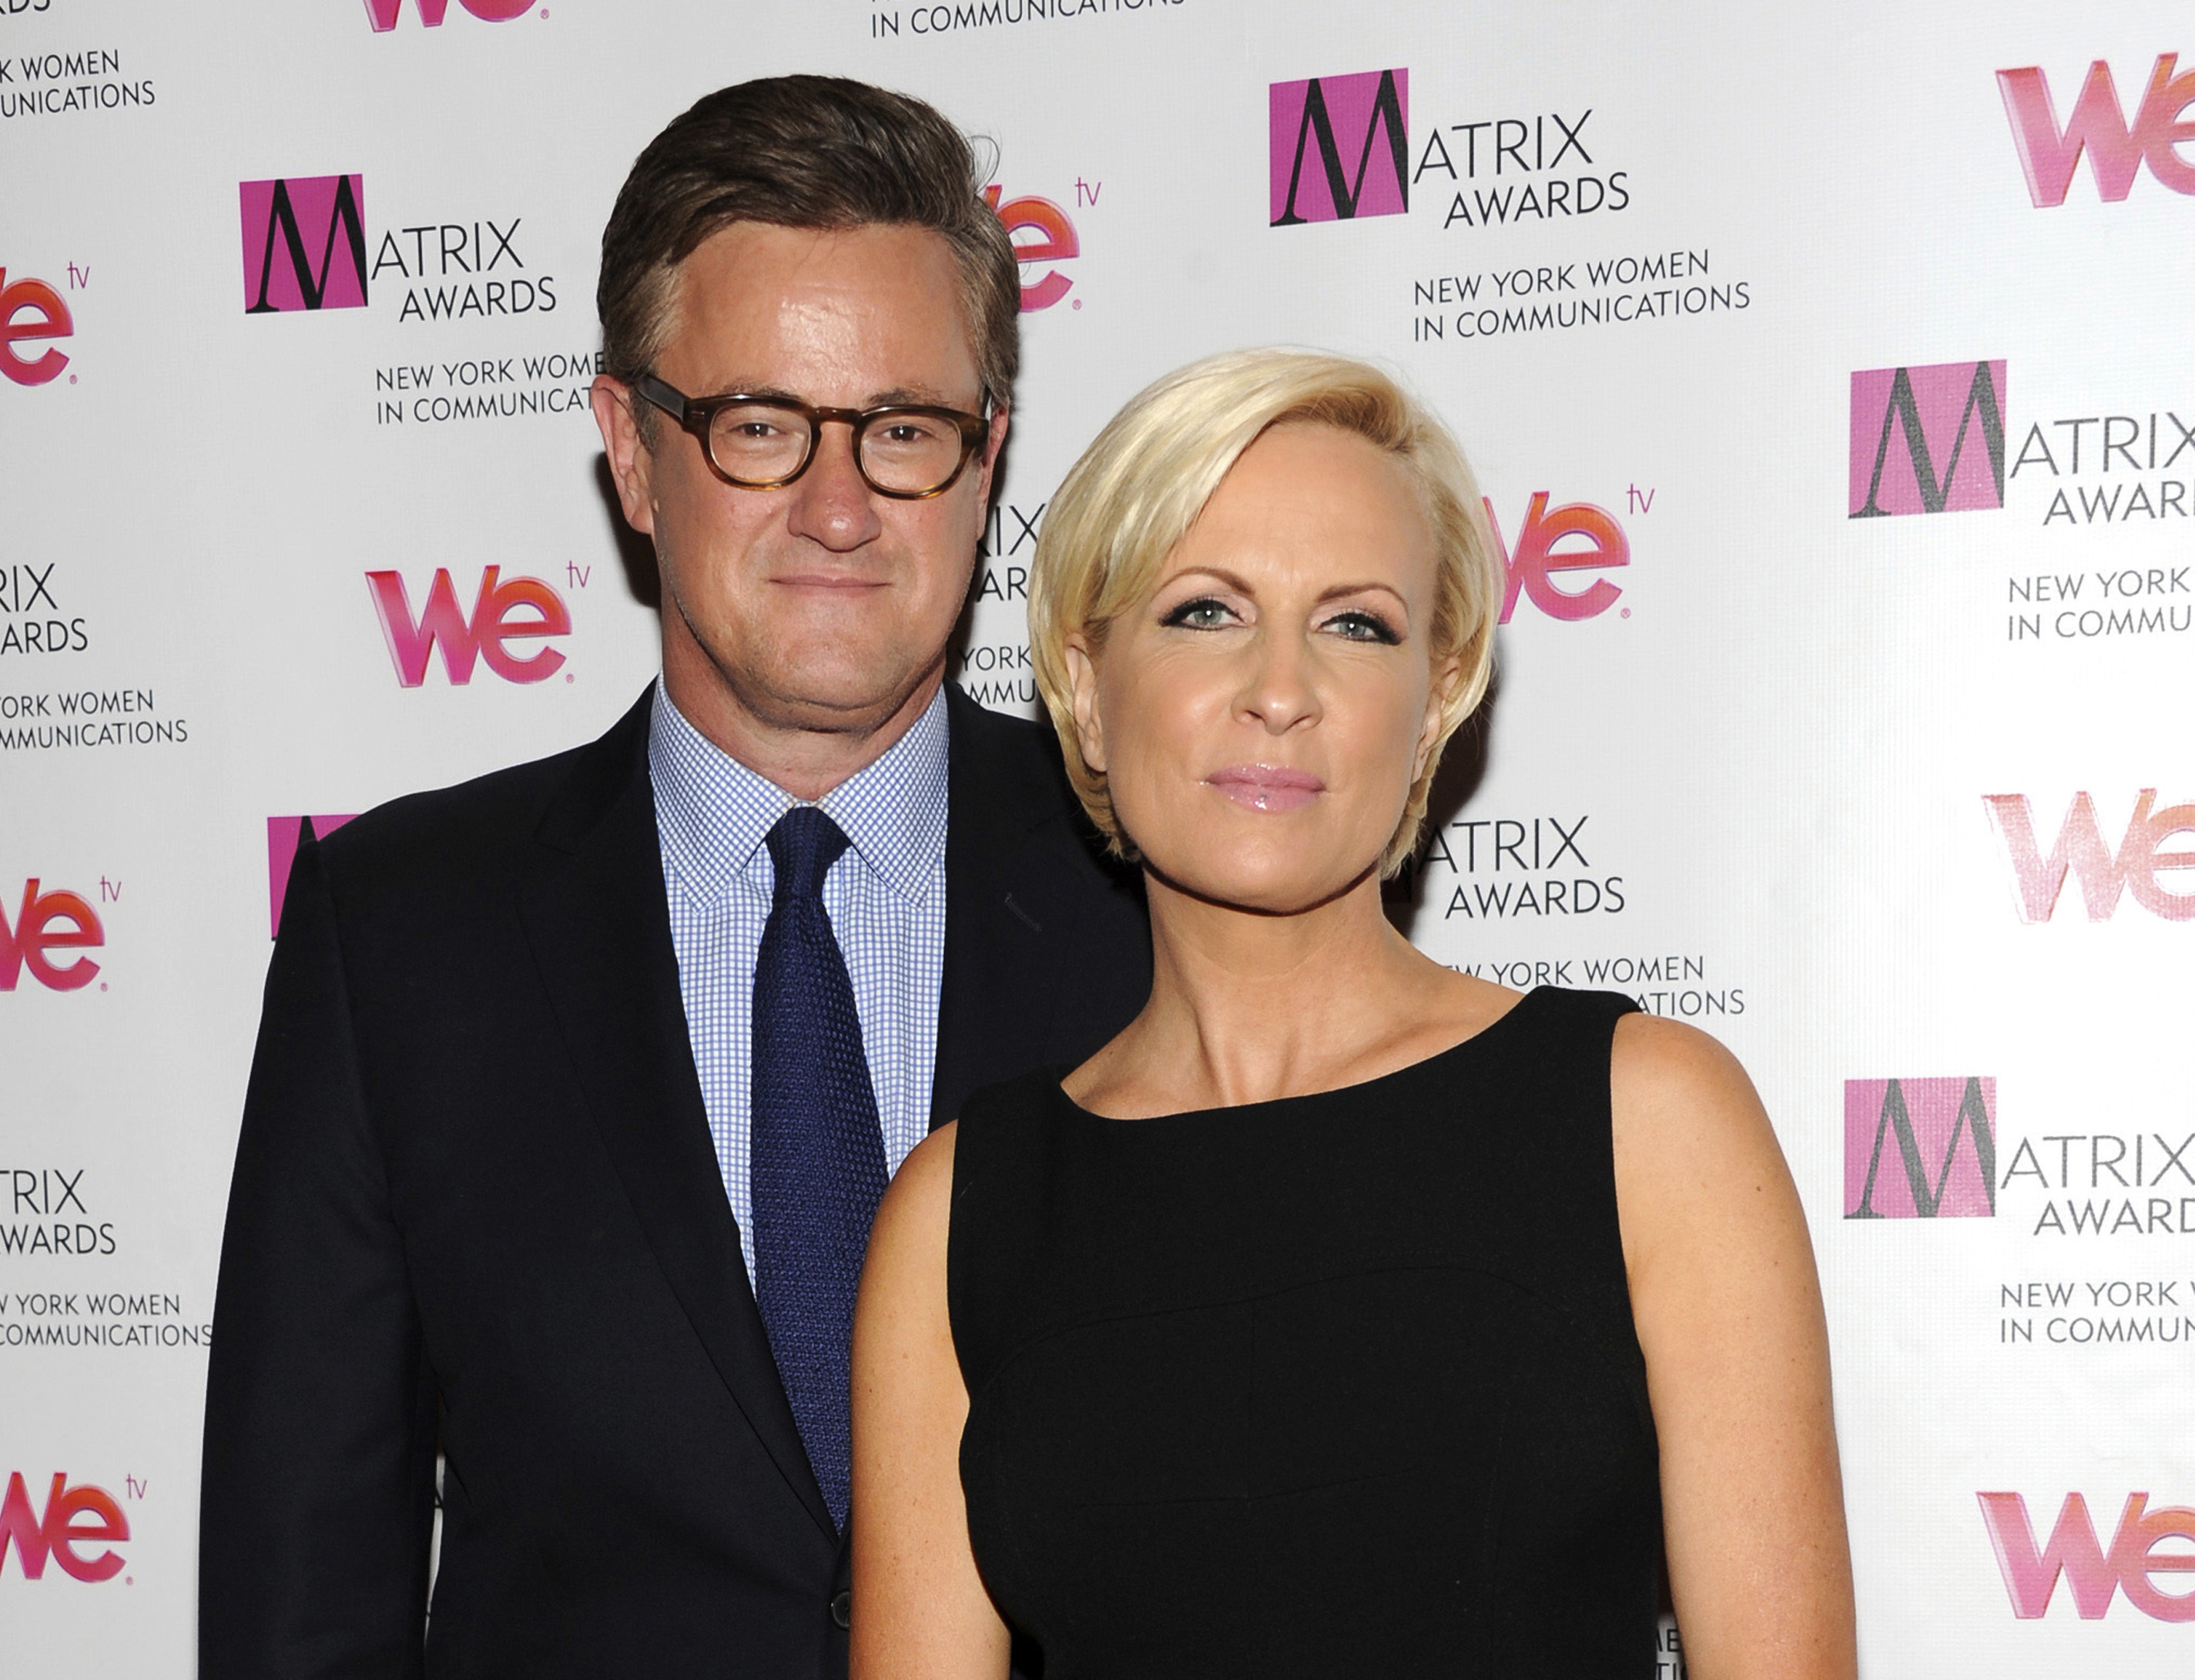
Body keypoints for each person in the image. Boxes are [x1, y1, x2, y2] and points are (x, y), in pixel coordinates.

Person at [199, 76, 1149, 1680]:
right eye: (761, 426)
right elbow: (307, 1593)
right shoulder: (401, 932)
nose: (839, 507)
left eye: (903, 430)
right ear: (634, 454)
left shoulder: (1155, 890)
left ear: (988, 464)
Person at [850, 349, 1855, 1678]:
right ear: (1087, 689)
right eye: (1206, 611)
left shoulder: (1645, 1123)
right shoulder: (962, 1214)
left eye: (1356, 623)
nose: (1282, 686)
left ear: (1437, 699)